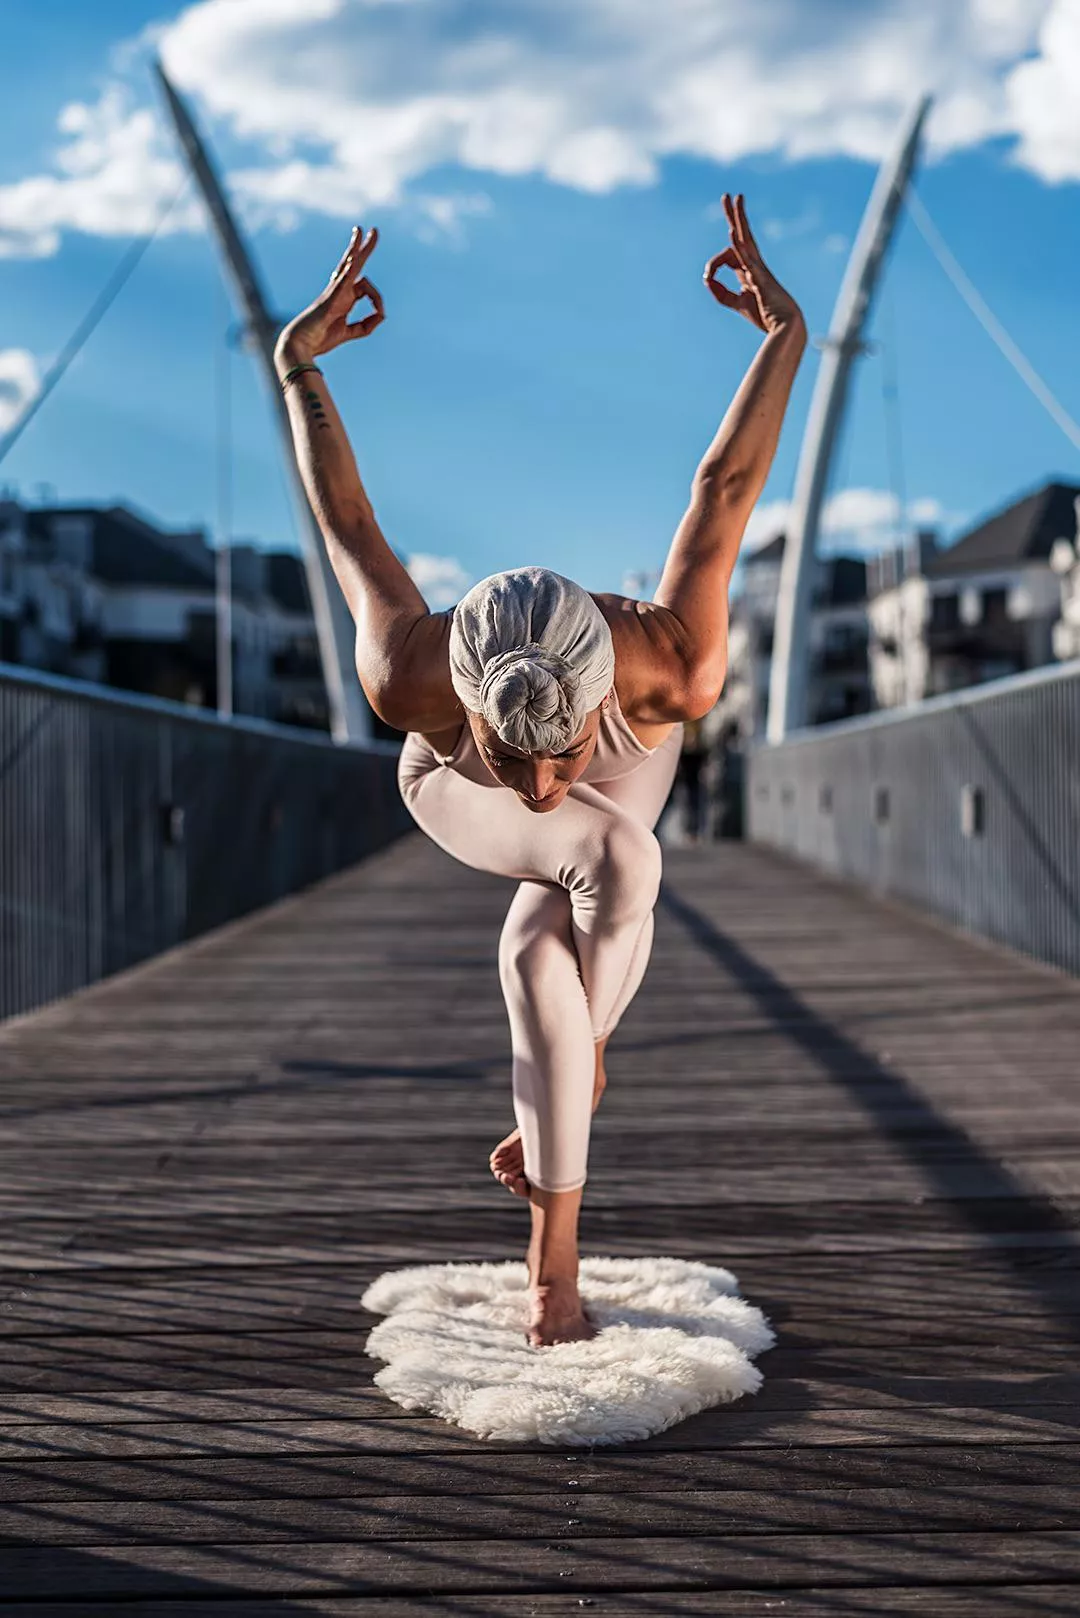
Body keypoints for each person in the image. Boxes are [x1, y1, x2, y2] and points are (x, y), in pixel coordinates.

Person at [275, 195, 805, 1347]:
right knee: (612, 851)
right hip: (447, 790)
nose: (540, 783)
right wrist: (296, 365)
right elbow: (348, 521)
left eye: (560, 755)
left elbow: (723, 487)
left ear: (604, 698)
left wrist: (786, 336)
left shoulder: (671, 660)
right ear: (471, 706)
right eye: (516, 755)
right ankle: (586, 1095)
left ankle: (549, 1257)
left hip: (625, 787)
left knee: (535, 954)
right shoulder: (412, 675)